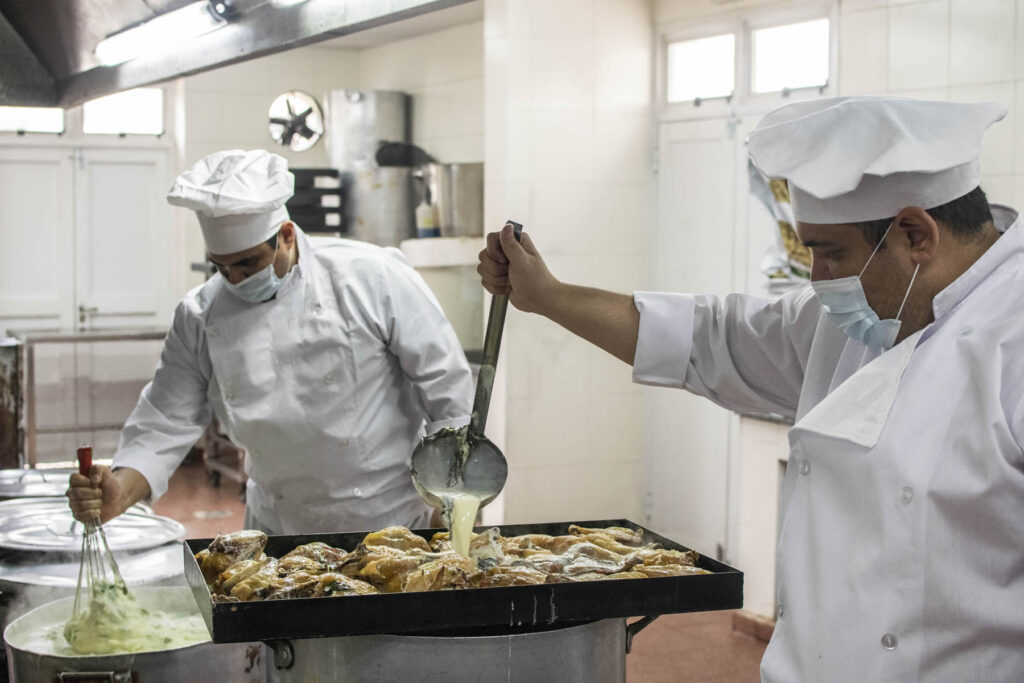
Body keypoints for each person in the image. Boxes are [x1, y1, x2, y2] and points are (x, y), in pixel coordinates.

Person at [478, 97, 1024, 681]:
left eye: (829, 252)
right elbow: (711, 337)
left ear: (917, 234)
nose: (817, 279)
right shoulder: (858, 317)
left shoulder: (1009, 346)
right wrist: (549, 297)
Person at [68, 149, 473, 535]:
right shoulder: (200, 315)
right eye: (222, 267)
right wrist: (118, 493)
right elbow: (163, 422)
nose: (236, 280)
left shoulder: (372, 277)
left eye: (248, 263)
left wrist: (452, 499)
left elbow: (446, 390)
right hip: (279, 527)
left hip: (390, 519)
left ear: (286, 234)